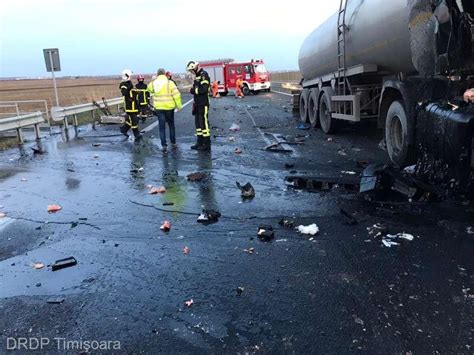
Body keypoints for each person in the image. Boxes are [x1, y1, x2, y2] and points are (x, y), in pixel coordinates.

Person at [147, 68, 182, 151]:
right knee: (171, 125)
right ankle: (173, 142)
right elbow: (176, 95)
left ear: (157, 74)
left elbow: (148, 88)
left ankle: (164, 145)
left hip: (159, 108)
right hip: (169, 107)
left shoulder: (154, 83)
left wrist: (154, 81)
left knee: (161, 127)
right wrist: (179, 105)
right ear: (164, 74)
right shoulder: (170, 83)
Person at [186, 60, 211, 151]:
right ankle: (199, 142)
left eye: (191, 70)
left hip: (203, 103)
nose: (191, 72)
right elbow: (197, 88)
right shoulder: (197, 76)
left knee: (204, 124)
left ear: (195, 67)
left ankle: (206, 143)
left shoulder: (204, 74)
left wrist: (193, 90)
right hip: (197, 103)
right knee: (198, 124)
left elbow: (204, 89)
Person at [119, 69, 142, 141]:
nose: (131, 77)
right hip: (129, 106)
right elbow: (124, 93)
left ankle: (124, 129)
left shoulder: (129, 83)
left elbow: (132, 92)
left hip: (134, 105)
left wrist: (136, 91)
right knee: (134, 120)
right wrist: (130, 88)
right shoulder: (123, 84)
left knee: (132, 119)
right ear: (127, 76)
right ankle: (136, 134)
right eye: (130, 76)